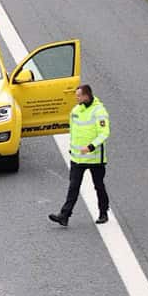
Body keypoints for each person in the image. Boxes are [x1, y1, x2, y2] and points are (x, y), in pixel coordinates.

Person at [49, 84, 110, 227]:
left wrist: (90, 147)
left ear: (86, 95)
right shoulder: (75, 111)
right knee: (73, 187)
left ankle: (103, 213)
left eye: (78, 96)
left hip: (95, 158)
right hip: (77, 158)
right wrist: (72, 150)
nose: (76, 98)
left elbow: (104, 133)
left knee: (99, 186)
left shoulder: (99, 111)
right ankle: (64, 215)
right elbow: (74, 133)